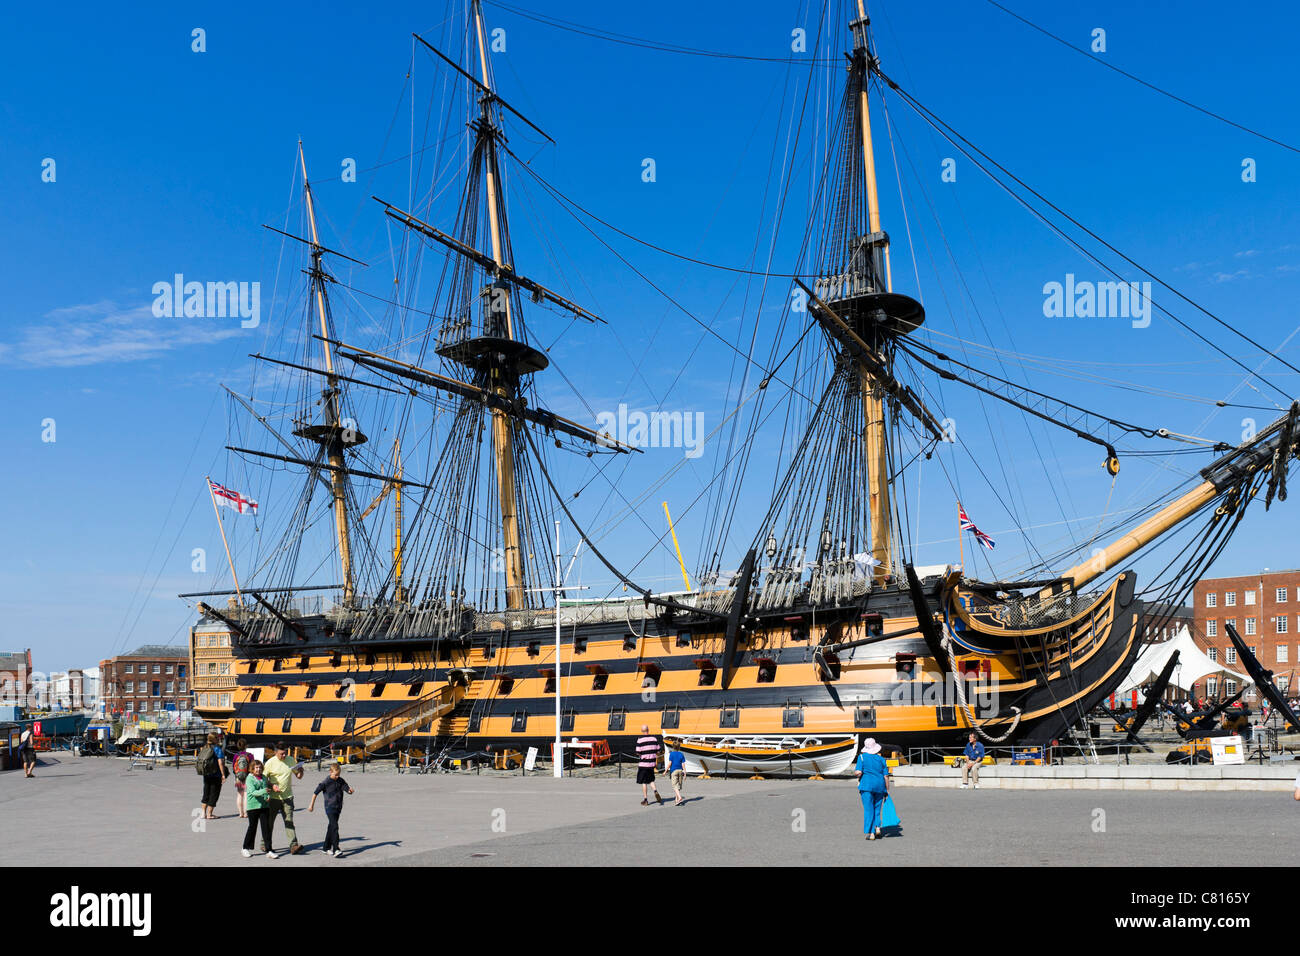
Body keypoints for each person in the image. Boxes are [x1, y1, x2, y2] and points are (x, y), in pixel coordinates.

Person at [264, 742, 305, 854]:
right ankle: (264, 843)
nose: (284, 756)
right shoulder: (270, 763)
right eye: (281, 754)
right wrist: (272, 786)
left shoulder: (291, 760)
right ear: (275, 752)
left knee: (289, 821)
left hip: (288, 797)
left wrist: (301, 770)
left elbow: (298, 776)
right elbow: (263, 779)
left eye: (285, 753)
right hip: (273, 798)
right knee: (269, 822)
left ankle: (293, 846)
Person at [308, 761, 355, 857]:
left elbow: (346, 788)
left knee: (331, 827)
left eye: (338, 775)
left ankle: (325, 848)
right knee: (335, 826)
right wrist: (311, 805)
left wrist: (350, 791)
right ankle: (336, 849)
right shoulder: (325, 782)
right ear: (330, 772)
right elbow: (315, 793)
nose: (337, 776)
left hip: (338, 807)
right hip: (329, 807)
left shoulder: (340, 780)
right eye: (335, 775)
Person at [854, 738, 890, 840]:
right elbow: (886, 776)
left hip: (866, 786)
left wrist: (857, 773)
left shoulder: (861, 757)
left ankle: (871, 833)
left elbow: (858, 772)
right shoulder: (881, 759)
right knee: (877, 808)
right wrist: (887, 790)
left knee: (868, 809)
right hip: (880, 786)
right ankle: (877, 827)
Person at [241, 760, 277, 859]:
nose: (258, 769)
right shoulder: (249, 778)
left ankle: (269, 850)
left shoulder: (264, 777)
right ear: (252, 768)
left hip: (264, 806)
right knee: (252, 827)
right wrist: (264, 791)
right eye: (256, 767)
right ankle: (245, 848)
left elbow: (266, 791)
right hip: (253, 807)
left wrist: (267, 797)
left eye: (260, 767)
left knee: (266, 828)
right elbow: (253, 792)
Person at [197, 732, 228, 818]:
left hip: (206, 774)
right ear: (215, 739)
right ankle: (209, 814)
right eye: (218, 738)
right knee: (214, 794)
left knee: (206, 793)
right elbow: (220, 762)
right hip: (216, 774)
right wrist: (223, 774)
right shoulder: (217, 749)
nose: (219, 739)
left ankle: (203, 813)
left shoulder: (204, 747)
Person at [634, 725, 663, 805]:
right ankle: (655, 791)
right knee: (651, 780)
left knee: (644, 782)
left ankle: (645, 800)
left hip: (643, 764)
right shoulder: (654, 739)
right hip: (651, 764)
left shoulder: (640, 740)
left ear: (641, 731)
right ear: (648, 730)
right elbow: (658, 750)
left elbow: (638, 752)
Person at [230, 738, 253, 818]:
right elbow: (252, 766)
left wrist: (237, 774)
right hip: (247, 776)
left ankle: (240, 813)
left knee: (239, 795)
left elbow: (233, 766)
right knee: (246, 794)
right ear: (246, 746)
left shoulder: (236, 755)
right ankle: (246, 813)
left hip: (238, 777)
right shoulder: (250, 755)